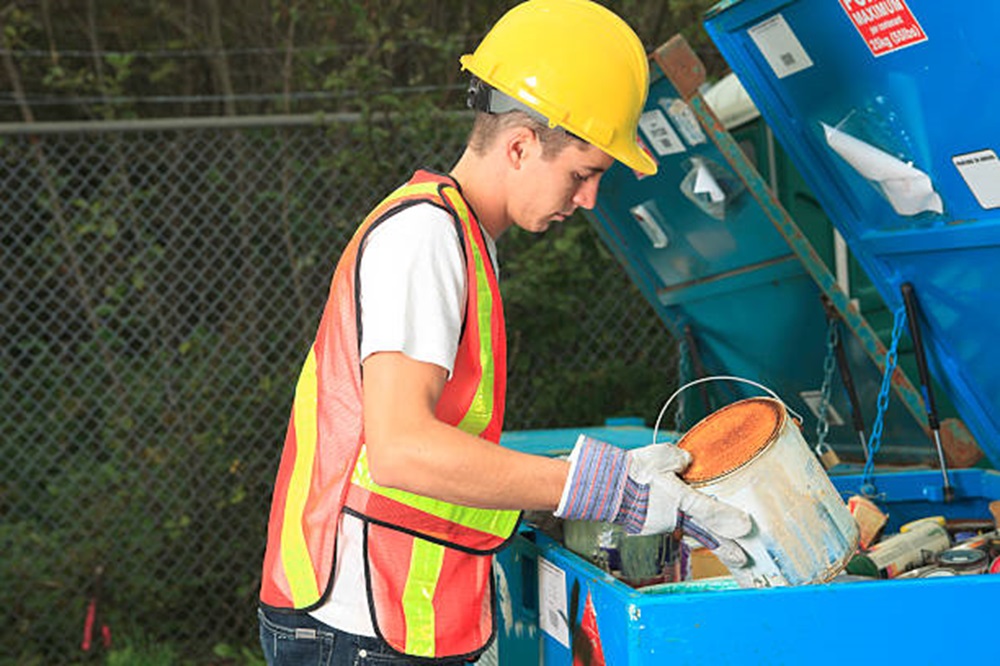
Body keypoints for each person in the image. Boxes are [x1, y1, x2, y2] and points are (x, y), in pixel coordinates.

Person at [257, 1, 752, 664]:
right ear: (520, 144)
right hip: (359, 625)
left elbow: (435, 449)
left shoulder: (459, 236)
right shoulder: (425, 238)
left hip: (391, 616)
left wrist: (571, 485)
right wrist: (598, 488)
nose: (588, 201)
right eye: (583, 174)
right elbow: (402, 448)